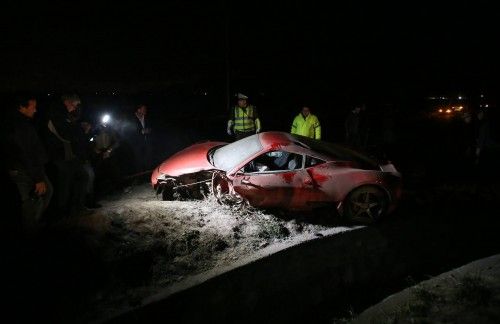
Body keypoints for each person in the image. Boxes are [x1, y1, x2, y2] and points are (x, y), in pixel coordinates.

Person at [4, 94, 53, 234]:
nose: (36, 110)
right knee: (34, 197)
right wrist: (38, 178)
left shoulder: (19, 122)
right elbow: (25, 153)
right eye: (33, 107)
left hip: (23, 167)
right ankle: (30, 230)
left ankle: (32, 225)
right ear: (22, 107)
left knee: (41, 194)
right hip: (24, 169)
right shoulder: (19, 126)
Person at [45, 93, 90, 217]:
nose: (75, 108)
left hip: (70, 155)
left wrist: (78, 128)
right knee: (64, 185)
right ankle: (62, 213)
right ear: (68, 102)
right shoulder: (56, 115)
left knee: (82, 177)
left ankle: (77, 208)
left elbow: (71, 130)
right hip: (60, 156)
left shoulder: (65, 115)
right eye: (75, 105)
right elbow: (66, 135)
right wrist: (82, 130)